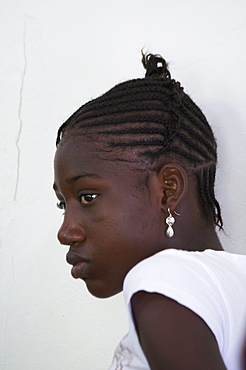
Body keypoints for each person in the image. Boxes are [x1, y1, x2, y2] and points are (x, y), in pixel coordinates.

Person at [53, 53, 246, 370]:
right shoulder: (234, 282)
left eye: (87, 196)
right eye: (63, 204)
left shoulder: (161, 278)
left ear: (168, 190)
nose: (66, 231)